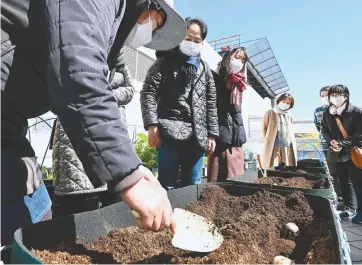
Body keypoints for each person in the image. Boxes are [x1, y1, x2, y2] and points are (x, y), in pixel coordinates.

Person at [1, 0, 186, 245]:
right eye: (155, 21)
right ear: (148, 6)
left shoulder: (109, 31)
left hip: (8, 121)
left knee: (37, 216)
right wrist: (129, 178)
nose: (149, 32)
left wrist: (136, 168)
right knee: (29, 228)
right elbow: (79, 72)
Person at [51, 48, 135, 218]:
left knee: (114, 206)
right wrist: (96, 96)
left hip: (113, 129)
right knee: (79, 203)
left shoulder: (118, 55)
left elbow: (129, 89)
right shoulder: (75, 45)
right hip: (77, 126)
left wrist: (107, 96)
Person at [140, 17, 219, 190]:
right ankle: (166, 217)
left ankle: (188, 216)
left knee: (193, 186)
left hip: (198, 136)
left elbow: (211, 102)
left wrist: (212, 134)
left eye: (196, 40)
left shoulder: (204, 68)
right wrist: (152, 125)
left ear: (202, 43)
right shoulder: (164, 62)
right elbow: (148, 93)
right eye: (188, 38)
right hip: (169, 132)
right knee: (166, 186)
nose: (191, 43)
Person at [321, 84, 362, 224]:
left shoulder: (356, 111)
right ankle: (348, 207)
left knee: (358, 182)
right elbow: (324, 129)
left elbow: (360, 133)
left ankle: (360, 211)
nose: (335, 98)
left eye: (339, 95)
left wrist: (342, 143)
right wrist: (331, 140)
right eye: (332, 95)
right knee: (343, 181)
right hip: (337, 153)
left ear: (346, 96)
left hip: (353, 152)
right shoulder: (328, 112)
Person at [207, 47, 248, 182]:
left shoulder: (239, 83)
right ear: (227, 57)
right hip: (220, 141)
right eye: (236, 57)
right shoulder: (214, 77)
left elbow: (237, 114)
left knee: (238, 183)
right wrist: (211, 134)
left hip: (236, 142)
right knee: (217, 184)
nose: (239, 62)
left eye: (243, 60)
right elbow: (210, 107)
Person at [314, 86, 342, 205]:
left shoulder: (340, 109)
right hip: (325, 144)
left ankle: (347, 199)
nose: (324, 98)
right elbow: (318, 126)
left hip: (341, 143)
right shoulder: (318, 111)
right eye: (322, 95)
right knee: (332, 171)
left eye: (326, 95)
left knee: (343, 170)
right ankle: (339, 197)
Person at [261, 93, 298, 169]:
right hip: (274, 145)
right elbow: (264, 129)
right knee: (273, 166)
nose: (285, 104)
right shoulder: (269, 113)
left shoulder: (289, 115)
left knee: (287, 167)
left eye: (288, 103)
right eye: (283, 101)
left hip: (287, 145)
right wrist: (267, 141)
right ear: (279, 101)